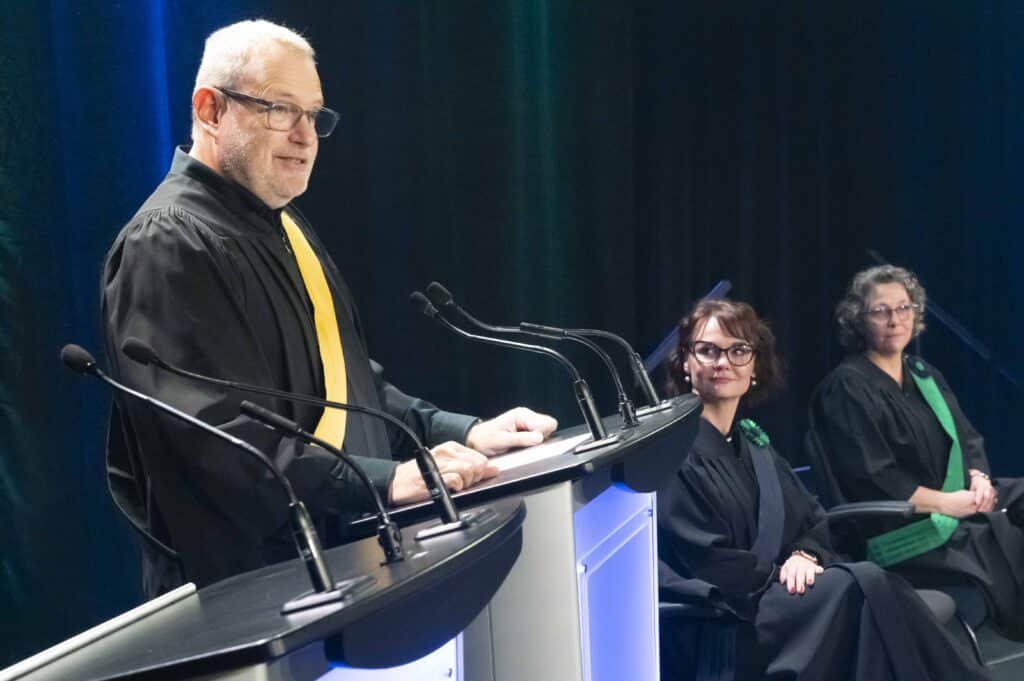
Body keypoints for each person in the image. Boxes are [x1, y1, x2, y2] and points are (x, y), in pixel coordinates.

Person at [101, 20, 556, 597]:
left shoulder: (286, 227)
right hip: (256, 601)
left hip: (347, 568)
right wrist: (386, 481)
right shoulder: (168, 243)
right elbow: (220, 438)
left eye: (314, 115)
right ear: (210, 109)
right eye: (280, 110)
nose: (305, 135)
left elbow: (347, 390)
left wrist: (464, 433)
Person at [657, 298, 990, 681]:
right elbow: (704, 559)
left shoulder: (751, 443)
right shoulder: (673, 452)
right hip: (734, 616)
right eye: (707, 350)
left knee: (866, 596)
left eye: (738, 350)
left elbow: (812, 515)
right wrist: (780, 572)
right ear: (685, 361)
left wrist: (804, 554)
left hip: (785, 595)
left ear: (754, 367)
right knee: (862, 588)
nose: (722, 362)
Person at [808, 264, 1024, 639]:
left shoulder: (923, 373)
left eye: (904, 308)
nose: (895, 320)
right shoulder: (846, 388)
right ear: (858, 320)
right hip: (903, 525)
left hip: (955, 504)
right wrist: (946, 504)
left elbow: (967, 438)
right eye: (881, 311)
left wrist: (980, 479)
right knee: (1004, 536)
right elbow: (874, 476)